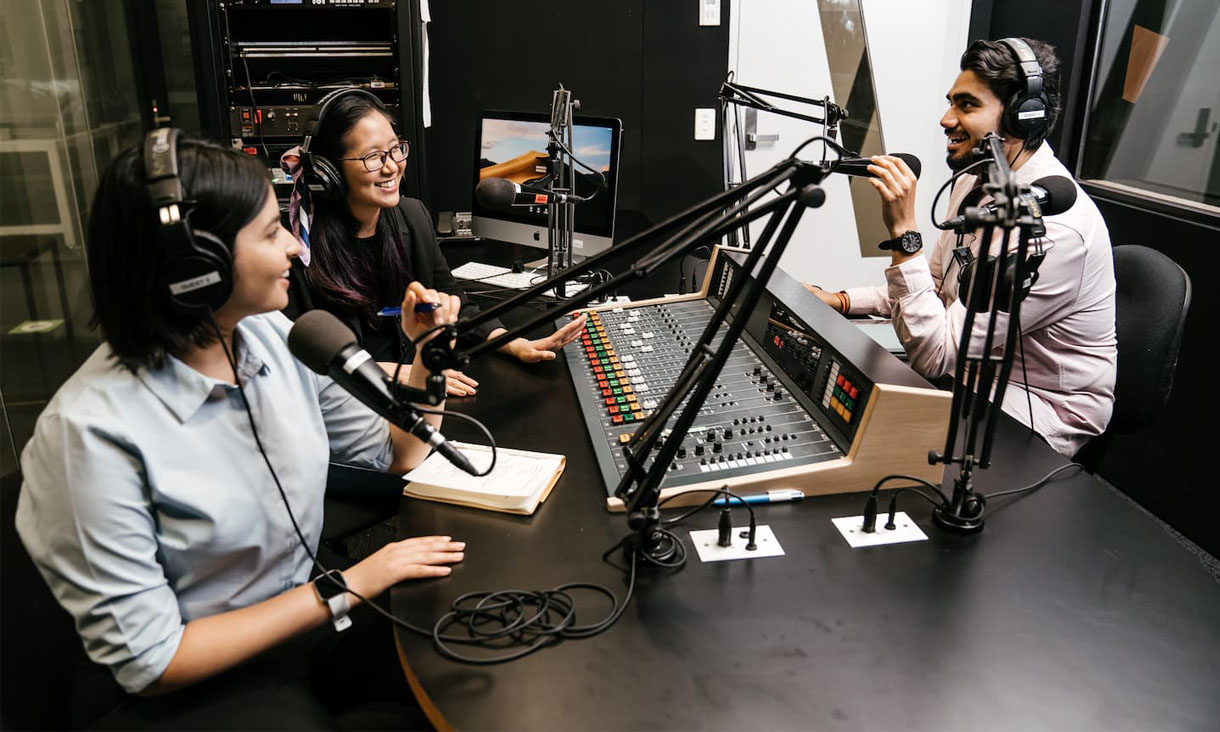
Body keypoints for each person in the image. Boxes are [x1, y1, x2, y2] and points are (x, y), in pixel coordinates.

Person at [15, 133, 464, 729]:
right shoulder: (88, 436)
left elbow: (401, 454)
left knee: (457, 640)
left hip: (295, 616)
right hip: (181, 682)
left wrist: (425, 356)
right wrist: (352, 583)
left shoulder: (272, 336)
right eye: (273, 231)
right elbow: (152, 661)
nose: (298, 250)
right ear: (195, 270)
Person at [805, 38, 1116, 457]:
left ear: (1024, 116)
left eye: (967, 105)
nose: (946, 119)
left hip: (1035, 411)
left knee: (873, 445)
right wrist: (841, 301)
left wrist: (903, 231)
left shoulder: (1056, 229)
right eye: (951, 102)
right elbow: (934, 287)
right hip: (969, 376)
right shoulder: (975, 181)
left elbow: (933, 355)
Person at [282, 88, 586, 397]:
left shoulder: (412, 217)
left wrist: (510, 342)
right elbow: (295, 358)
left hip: (415, 392)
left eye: (395, 149)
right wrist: (404, 373)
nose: (391, 166)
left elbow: (452, 299)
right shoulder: (296, 248)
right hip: (347, 405)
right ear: (328, 171)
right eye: (373, 157)